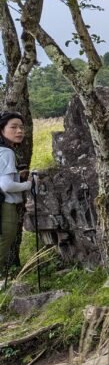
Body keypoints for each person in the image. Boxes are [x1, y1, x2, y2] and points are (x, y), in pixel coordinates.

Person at [0, 112, 32, 275]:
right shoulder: (6, 152)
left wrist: (17, 176)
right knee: (5, 239)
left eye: (21, 127)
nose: (19, 131)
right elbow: (6, 186)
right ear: (1, 130)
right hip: (5, 204)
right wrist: (28, 184)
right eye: (13, 127)